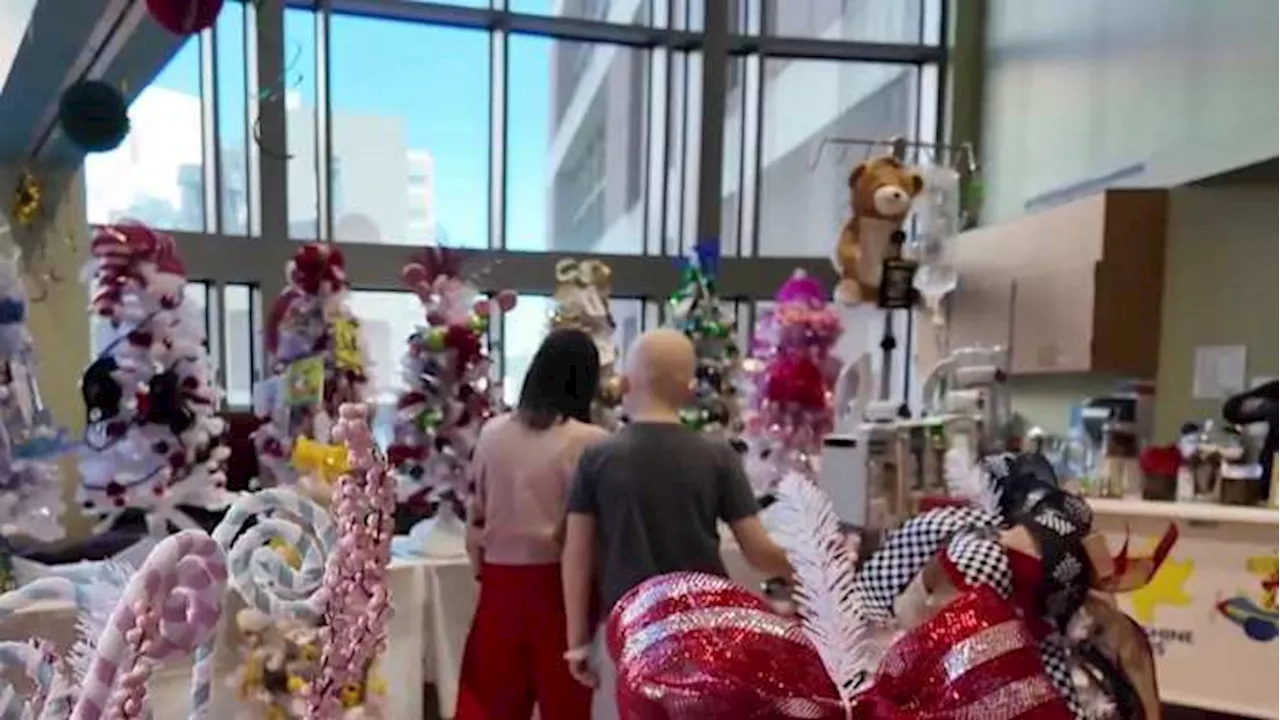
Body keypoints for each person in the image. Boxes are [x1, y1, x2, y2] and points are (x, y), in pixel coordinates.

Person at [561, 328, 793, 719]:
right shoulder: (718, 457)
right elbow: (759, 552)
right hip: (702, 630)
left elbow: (577, 554)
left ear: (626, 384)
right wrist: (816, 561)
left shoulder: (598, 458)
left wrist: (577, 641)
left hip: (627, 631)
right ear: (688, 390)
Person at [455, 328, 611, 720]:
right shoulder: (593, 442)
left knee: (491, 703)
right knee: (569, 705)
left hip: (499, 585)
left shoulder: (491, 434)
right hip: (563, 588)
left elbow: (475, 514)